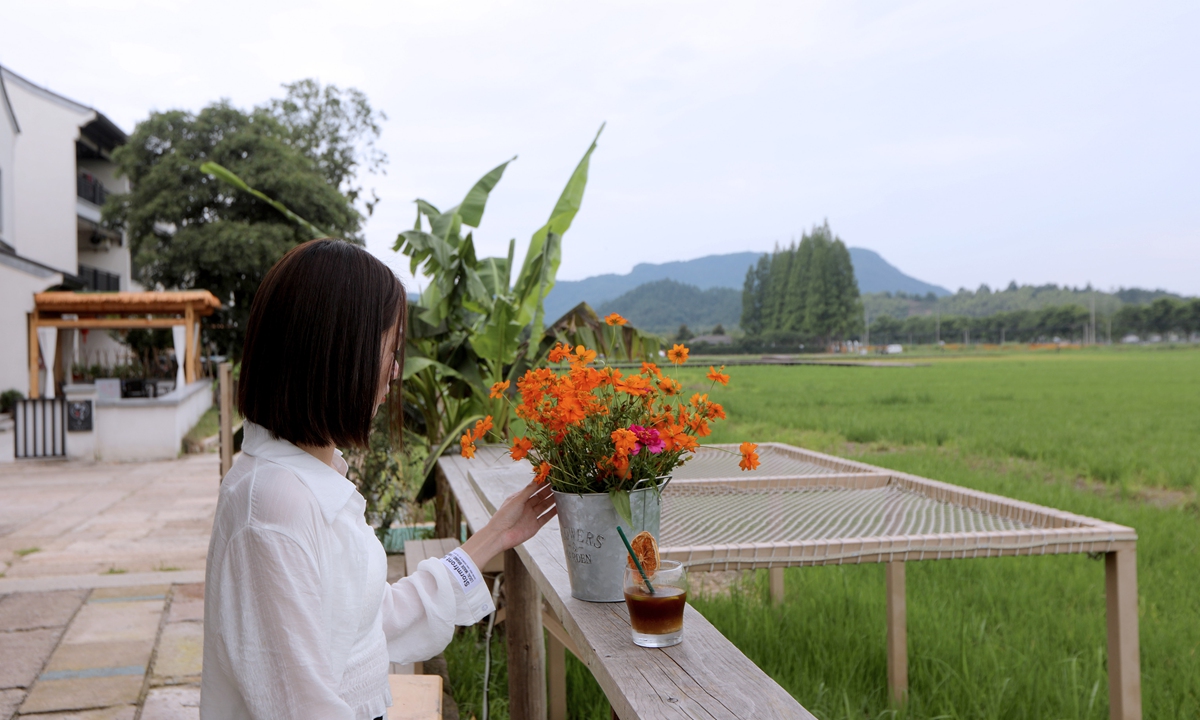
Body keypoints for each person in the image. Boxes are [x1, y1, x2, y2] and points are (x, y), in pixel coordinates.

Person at [200, 239, 556, 719]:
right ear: (332, 354)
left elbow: (370, 620)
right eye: (388, 352)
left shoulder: (305, 481)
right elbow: (302, 708)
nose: (394, 374)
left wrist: (498, 534)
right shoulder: (273, 508)